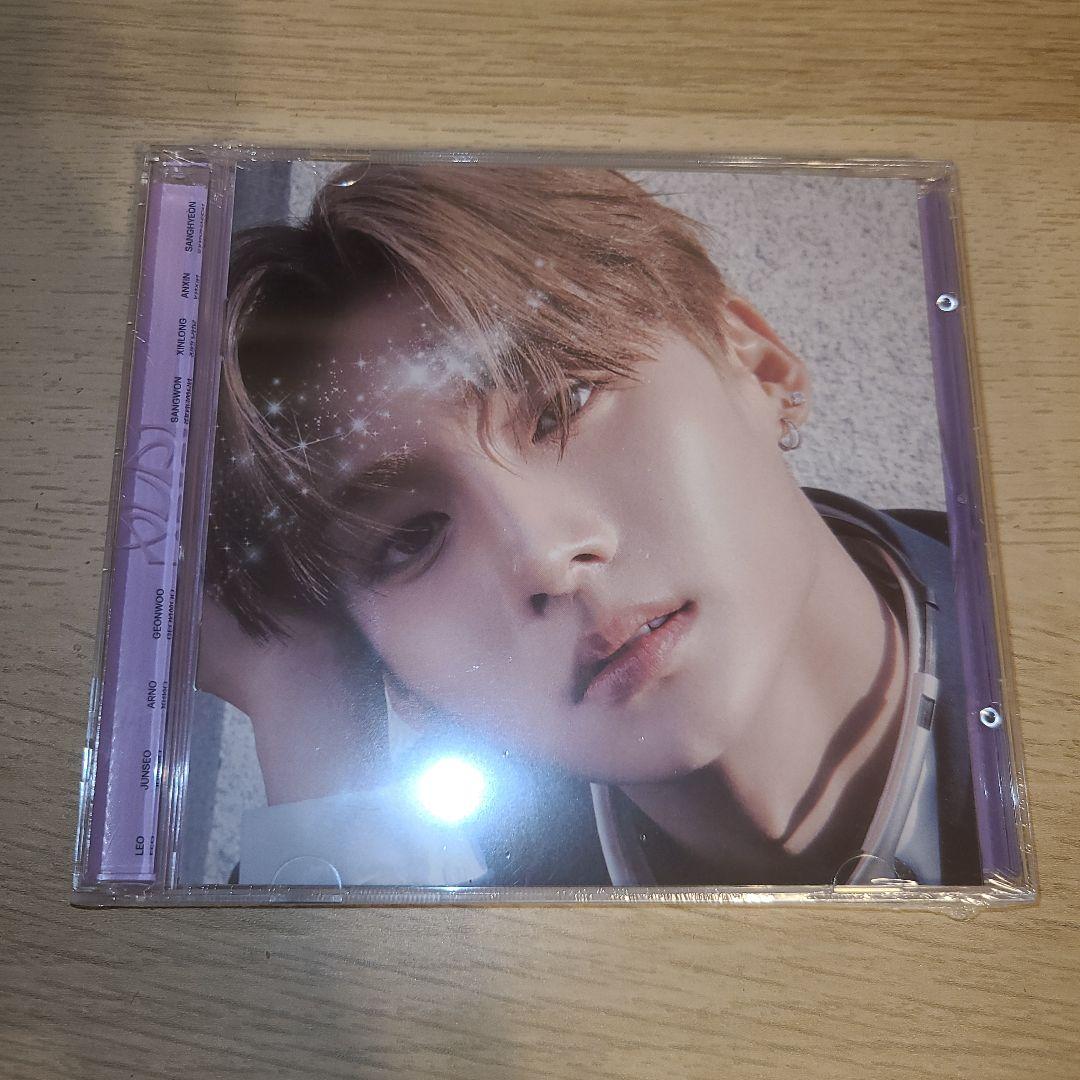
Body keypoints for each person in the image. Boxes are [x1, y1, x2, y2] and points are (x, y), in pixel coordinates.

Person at [196, 164, 981, 889]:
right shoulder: (424, 894)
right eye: (410, 540)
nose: (542, 556)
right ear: (389, 665)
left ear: (755, 361)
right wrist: (308, 707)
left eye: (564, 404)